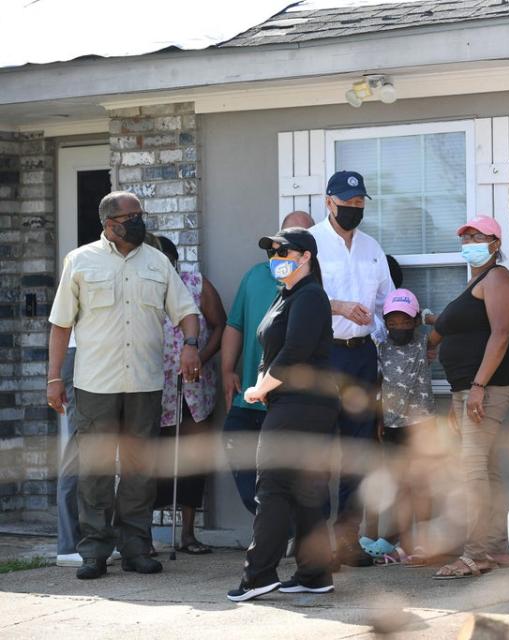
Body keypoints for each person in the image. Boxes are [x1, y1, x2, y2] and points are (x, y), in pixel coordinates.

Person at [47, 191, 200, 580]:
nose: (138, 221)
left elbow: (186, 311)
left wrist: (191, 345)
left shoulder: (157, 262)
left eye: (140, 214)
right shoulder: (80, 262)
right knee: (95, 471)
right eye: (130, 216)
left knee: (140, 470)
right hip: (95, 384)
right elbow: (61, 324)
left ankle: (136, 548)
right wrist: (53, 378)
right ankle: (94, 552)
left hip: (144, 384)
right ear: (109, 224)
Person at [227, 227, 339, 602]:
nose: (275, 258)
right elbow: (268, 351)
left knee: (272, 489)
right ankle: (314, 573)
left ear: (305, 256)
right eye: (271, 252)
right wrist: (262, 384)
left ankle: (258, 575)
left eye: (283, 251)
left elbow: (294, 354)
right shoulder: (285, 296)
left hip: (303, 406)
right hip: (289, 404)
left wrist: (260, 389)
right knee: (304, 491)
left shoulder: (310, 298)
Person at [428, 215, 509, 579]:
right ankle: (496, 548)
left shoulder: (498, 278)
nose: (469, 240)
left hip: (490, 387)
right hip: (469, 389)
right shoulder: (476, 283)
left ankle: (475, 555)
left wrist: (479, 388)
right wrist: (432, 336)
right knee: (484, 471)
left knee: (471, 471)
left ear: (495, 244)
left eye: (477, 235)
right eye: (465, 235)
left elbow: (500, 335)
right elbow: (456, 327)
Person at [308, 171, 392, 568]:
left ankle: (348, 539)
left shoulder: (373, 248)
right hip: (323, 357)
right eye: (346, 202)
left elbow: (386, 304)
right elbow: (292, 299)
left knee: (358, 452)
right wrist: (337, 306)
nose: (353, 209)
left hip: (361, 358)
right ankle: (314, 543)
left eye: (359, 203)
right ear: (328, 202)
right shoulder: (308, 243)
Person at [220, 211, 313, 515]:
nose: (279, 252)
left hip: (286, 400)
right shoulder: (255, 275)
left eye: (287, 246)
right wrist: (227, 370)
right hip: (248, 395)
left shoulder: (311, 287)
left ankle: (282, 532)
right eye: (276, 244)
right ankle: (273, 525)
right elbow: (235, 325)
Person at [152, 235, 226, 554]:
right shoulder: (140, 289)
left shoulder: (196, 284)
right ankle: (143, 535)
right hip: (153, 389)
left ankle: (188, 534)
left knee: (192, 459)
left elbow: (220, 325)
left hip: (193, 389)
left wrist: (200, 357)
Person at [372, 288, 437, 566]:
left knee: (421, 486)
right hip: (391, 427)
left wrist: (428, 318)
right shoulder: (380, 346)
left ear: (415, 323)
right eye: (393, 322)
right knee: (400, 487)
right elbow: (377, 387)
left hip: (421, 426)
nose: (399, 327)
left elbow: (448, 325)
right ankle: (402, 542)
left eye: (406, 321)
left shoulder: (422, 343)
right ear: (385, 323)